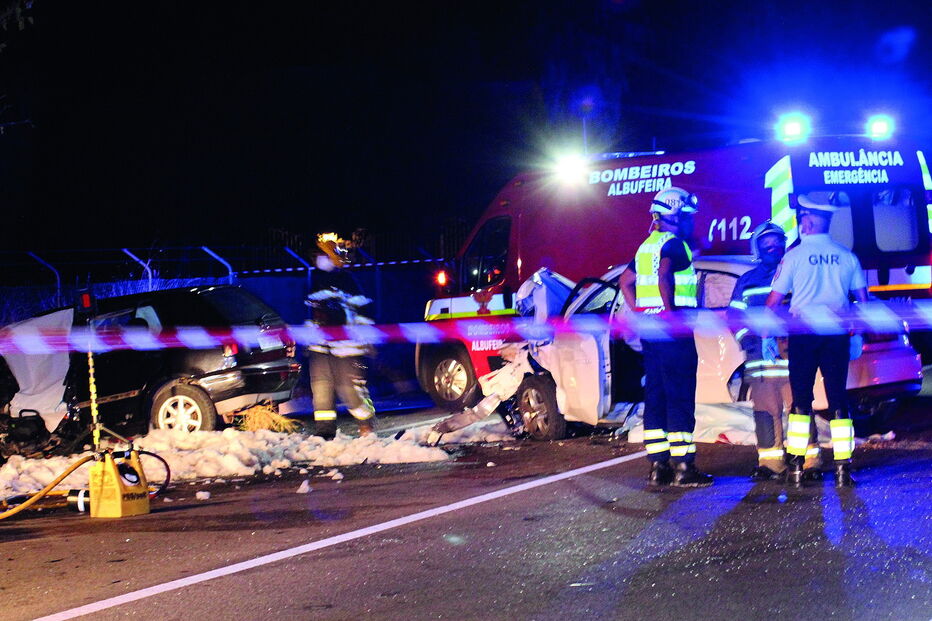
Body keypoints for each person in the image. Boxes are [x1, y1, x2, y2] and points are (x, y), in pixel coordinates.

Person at [765, 192, 868, 488]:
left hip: (803, 336)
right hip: (836, 337)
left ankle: (796, 465)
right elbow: (863, 302)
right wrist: (858, 333)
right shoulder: (847, 256)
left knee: (801, 401)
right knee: (838, 400)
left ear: (806, 221)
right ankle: (843, 468)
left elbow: (773, 301)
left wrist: (769, 334)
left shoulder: (793, 257)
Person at [619, 187, 712, 487]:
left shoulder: (645, 246)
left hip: (651, 331)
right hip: (674, 330)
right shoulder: (674, 245)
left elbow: (625, 282)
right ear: (675, 214)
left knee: (656, 395)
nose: (690, 222)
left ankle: (659, 467)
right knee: (680, 395)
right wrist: (671, 316)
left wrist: (641, 313)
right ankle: (684, 467)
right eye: (686, 216)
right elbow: (663, 276)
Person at [728, 221, 796, 481]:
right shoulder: (747, 281)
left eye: (777, 241)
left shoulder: (795, 275)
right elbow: (734, 318)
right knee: (765, 414)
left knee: (800, 412)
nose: (773, 246)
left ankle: (808, 462)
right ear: (757, 247)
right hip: (761, 363)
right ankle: (771, 465)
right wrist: (748, 342)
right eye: (766, 242)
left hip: (793, 359)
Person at [306, 233, 377, 440]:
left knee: (351, 391)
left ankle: (366, 424)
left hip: (347, 348)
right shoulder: (314, 280)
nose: (317, 259)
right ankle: (324, 434)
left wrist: (365, 339)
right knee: (321, 392)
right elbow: (310, 314)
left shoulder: (347, 280)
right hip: (320, 348)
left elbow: (364, 311)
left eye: (321, 255)